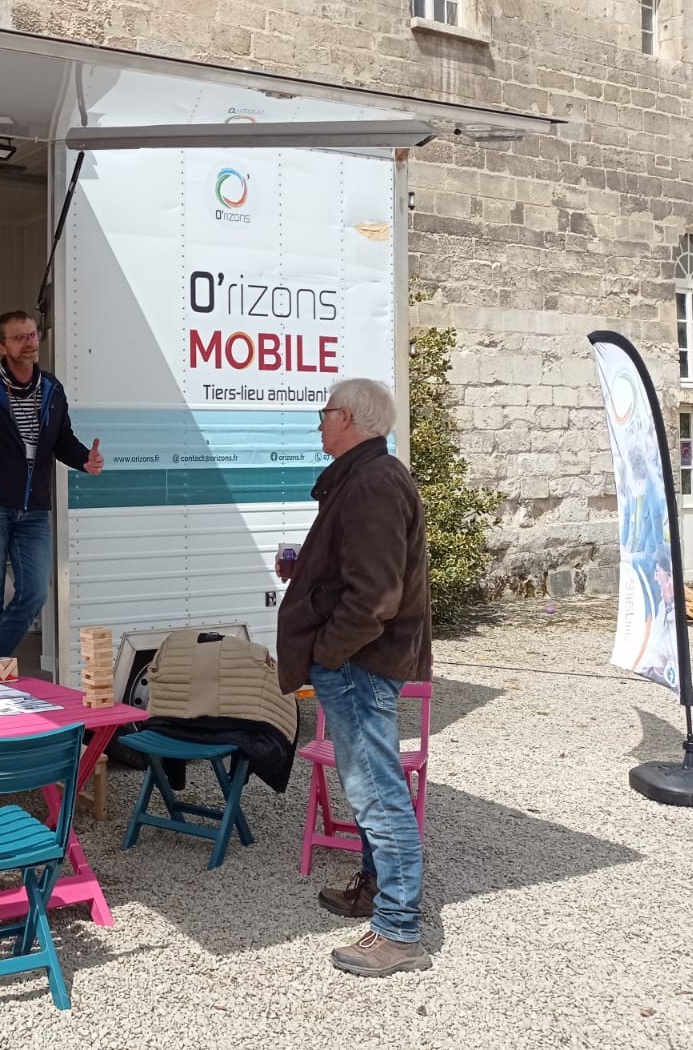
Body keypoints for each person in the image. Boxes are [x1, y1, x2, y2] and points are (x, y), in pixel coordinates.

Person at [275, 378, 434, 977]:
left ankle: (398, 930)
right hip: (358, 663)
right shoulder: (366, 476)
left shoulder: (372, 483)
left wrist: (333, 653)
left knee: (378, 793)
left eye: (324, 413)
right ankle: (372, 887)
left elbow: (375, 595)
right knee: (369, 786)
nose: (318, 423)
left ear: (350, 418)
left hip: (360, 665)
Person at [0, 310, 103, 660]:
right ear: (1, 346)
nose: (30, 342)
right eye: (20, 337)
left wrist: (84, 461)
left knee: (34, 592)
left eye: (32, 335)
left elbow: (62, 440)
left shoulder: (52, 389)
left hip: (34, 509)